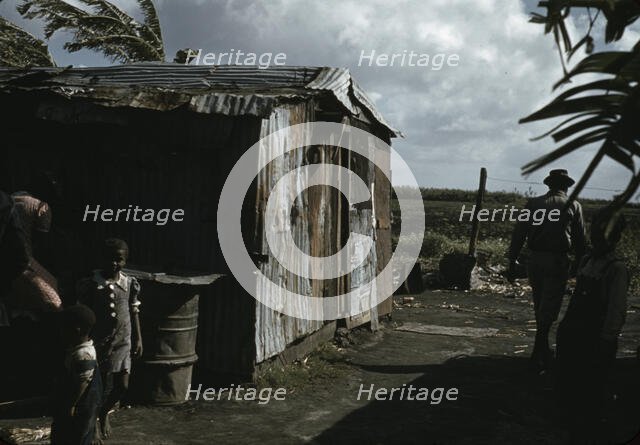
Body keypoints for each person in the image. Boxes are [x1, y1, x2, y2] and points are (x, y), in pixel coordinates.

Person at [555, 208, 628, 441]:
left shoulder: (616, 269)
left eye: (604, 234)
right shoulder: (587, 261)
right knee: (570, 385)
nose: (597, 238)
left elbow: (616, 310)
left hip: (594, 338)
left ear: (615, 237)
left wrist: (606, 340)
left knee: (591, 389)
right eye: (595, 232)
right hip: (574, 333)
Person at [508, 169, 586, 372]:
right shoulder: (574, 205)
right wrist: (580, 263)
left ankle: (541, 349)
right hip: (557, 260)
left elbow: (519, 234)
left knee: (540, 302)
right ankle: (538, 350)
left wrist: (511, 261)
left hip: (534, 260)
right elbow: (580, 240)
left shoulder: (533, 204)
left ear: (549, 184)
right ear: (567, 186)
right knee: (549, 307)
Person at [77, 238, 142, 439]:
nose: (114, 263)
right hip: (100, 342)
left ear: (125, 261)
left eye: (119, 260)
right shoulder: (92, 284)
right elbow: (84, 313)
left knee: (122, 385)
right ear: (101, 259)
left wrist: (139, 338)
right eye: (110, 259)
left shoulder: (129, 283)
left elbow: (134, 311)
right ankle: (95, 418)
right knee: (99, 386)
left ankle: (105, 411)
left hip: (123, 341)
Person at [51, 304, 102, 445]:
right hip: (76, 403)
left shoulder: (83, 354)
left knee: (75, 437)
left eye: (63, 328)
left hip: (81, 405)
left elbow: (83, 383)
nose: (61, 331)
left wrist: (71, 405)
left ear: (76, 330)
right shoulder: (76, 350)